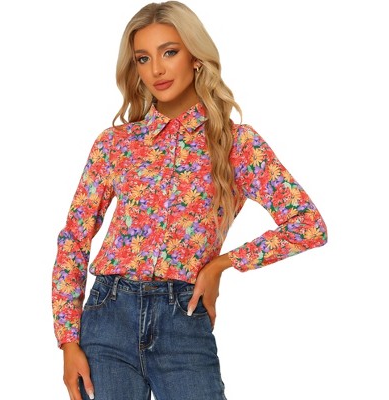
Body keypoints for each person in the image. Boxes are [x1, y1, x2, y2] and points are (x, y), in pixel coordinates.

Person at [52, 1, 328, 399]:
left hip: (182, 318)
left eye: (169, 52)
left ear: (195, 57)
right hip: (108, 317)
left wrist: (220, 265)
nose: (156, 70)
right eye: (143, 58)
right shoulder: (115, 144)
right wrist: (67, 340)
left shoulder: (236, 144)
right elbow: (75, 238)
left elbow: (308, 225)